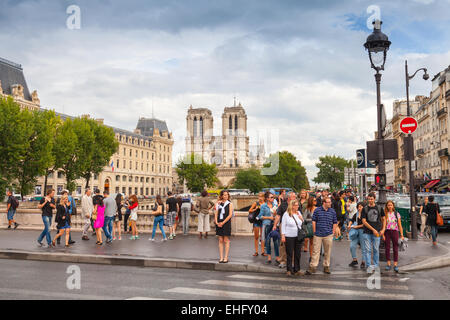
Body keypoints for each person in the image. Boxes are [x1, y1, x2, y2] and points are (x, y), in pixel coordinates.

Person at [306, 197, 338, 275]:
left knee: (327, 252)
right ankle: (313, 267)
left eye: (330, 202)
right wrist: (314, 231)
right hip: (318, 234)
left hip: (328, 234)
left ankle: (326, 266)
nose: (330, 203)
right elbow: (314, 221)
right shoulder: (317, 210)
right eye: (328, 202)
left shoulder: (332, 211)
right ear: (324, 203)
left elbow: (335, 222)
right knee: (315, 251)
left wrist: (333, 231)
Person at [361, 192, 386, 274]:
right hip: (367, 232)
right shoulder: (365, 209)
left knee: (375, 249)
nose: (370, 200)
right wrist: (373, 229)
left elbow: (384, 219)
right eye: (369, 199)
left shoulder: (379, 208)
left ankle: (375, 266)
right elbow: (364, 221)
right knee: (368, 250)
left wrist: (383, 229)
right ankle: (368, 266)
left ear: (374, 199)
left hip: (377, 232)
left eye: (372, 199)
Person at [281, 200, 305, 276]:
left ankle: (297, 269)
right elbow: (283, 225)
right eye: (296, 205)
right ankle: (289, 269)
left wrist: (301, 218)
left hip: (298, 236)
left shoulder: (299, 213)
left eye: (298, 205)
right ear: (292, 206)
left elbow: (302, 223)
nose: (298, 206)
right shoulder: (286, 214)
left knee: (298, 253)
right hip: (289, 236)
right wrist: (283, 235)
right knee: (289, 253)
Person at [383, 200, 404, 272]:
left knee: (395, 248)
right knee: (387, 248)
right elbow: (384, 225)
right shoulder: (385, 214)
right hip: (387, 232)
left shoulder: (396, 214)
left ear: (393, 206)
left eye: (391, 205)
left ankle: (395, 264)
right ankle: (388, 264)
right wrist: (383, 234)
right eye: (388, 205)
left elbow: (400, 225)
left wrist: (402, 234)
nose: (389, 206)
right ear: (387, 206)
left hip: (395, 231)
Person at [258, 191, 278, 264]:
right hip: (266, 224)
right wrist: (269, 217)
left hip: (274, 225)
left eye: (273, 197)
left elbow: (277, 215)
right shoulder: (263, 206)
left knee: (276, 241)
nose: (273, 198)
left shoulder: (275, 205)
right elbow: (260, 216)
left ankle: (277, 257)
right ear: (267, 198)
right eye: (271, 197)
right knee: (268, 241)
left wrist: (275, 214)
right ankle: (269, 258)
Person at [215, 190, 233, 263]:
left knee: (226, 240)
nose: (225, 196)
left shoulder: (230, 204)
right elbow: (216, 213)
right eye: (224, 195)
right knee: (220, 240)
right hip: (219, 222)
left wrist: (223, 222)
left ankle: (226, 257)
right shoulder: (218, 203)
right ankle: (221, 257)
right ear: (221, 195)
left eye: (227, 195)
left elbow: (230, 214)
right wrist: (216, 222)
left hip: (226, 223)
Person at [348, 202, 366, 268]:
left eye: (361, 207)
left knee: (363, 247)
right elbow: (351, 220)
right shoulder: (356, 214)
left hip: (363, 231)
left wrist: (357, 226)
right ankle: (354, 260)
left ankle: (363, 261)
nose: (359, 208)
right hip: (355, 232)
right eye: (358, 207)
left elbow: (365, 224)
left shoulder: (365, 215)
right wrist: (349, 225)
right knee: (352, 246)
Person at [249, 192, 265, 256]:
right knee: (256, 237)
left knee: (262, 237)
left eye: (261, 196)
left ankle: (263, 251)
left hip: (263, 221)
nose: (260, 198)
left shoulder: (265, 204)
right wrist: (255, 209)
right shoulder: (256, 203)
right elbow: (249, 210)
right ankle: (256, 251)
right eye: (259, 196)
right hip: (256, 221)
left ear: (264, 197)